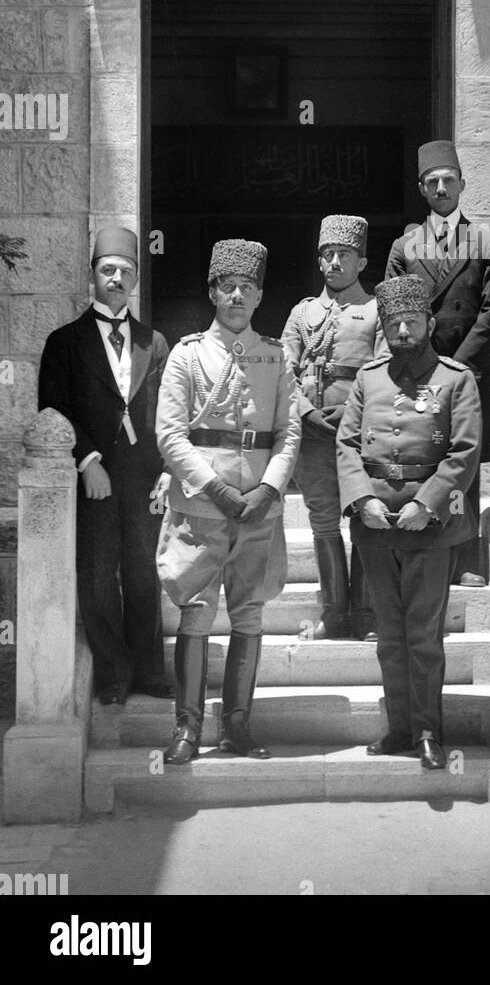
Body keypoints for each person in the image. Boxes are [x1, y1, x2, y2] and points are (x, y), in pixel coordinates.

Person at [155, 239, 300, 764]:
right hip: (201, 505)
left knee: (250, 613)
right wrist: (215, 488)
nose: (236, 295)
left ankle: (237, 725)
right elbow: (170, 435)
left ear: (260, 295)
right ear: (212, 291)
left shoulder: (276, 356)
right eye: (226, 286)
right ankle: (187, 728)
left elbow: (288, 433)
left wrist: (268, 489)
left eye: (246, 287)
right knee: (195, 613)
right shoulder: (186, 353)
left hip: (259, 505)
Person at [336, 274, 482, 769]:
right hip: (376, 525)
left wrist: (428, 503)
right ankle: (399, 728)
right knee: (390, 635)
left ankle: (427, 732)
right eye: (394, 322)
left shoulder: (456, 379)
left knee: (423, 635)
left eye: (411, 321)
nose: (402, 330)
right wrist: (361, 501)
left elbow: (464, 451)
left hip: (430, 528)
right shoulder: (368, 378)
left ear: (429, 323)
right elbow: (348, 445)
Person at [37, 227, 172, 705]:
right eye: (108, 270)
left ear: (136, 278)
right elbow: (54, 407)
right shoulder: (64, 343)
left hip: (144, 479)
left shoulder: (153, 343)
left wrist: (167, 470)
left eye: (126, 271)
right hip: (94, 477)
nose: (117, 278)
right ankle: (113, 675)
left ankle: (150, 673)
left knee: (143, 574)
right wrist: (88, 460)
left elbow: (167, 411)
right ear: (92, 275)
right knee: (97, 578)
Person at [385, 139, 490, 586]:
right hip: (419, 369)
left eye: (448, 180)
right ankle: (423, 551)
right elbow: (396, 309)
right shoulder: (405, 247)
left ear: (462, 185)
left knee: (464, 459)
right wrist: (425, 364)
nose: (440, 188)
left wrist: (462, 366)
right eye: (432, 182)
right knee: (424, 455)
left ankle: (466, 561)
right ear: (422, 189)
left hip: (468, 371)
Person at [281, 215, 385, 640]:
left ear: (362, 262)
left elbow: (382, 368)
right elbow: (283, 367)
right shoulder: (302, 312)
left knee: (364, 515)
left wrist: (349, 414)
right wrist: (305, 411)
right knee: (322, 520)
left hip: (359, 433)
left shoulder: (377, 310)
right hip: (312, 430)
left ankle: (364, 614)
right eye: (327, 255)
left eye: (344, 255)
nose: (335, 262)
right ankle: (334, 612)